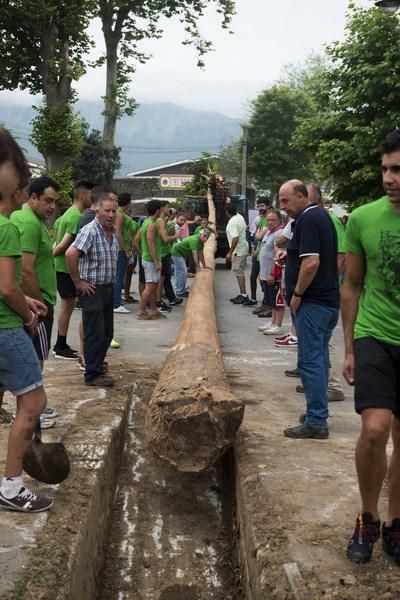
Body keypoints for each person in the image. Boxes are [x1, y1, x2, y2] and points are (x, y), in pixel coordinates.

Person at [342, 129, 400, 565]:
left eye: (397, 170)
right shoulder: (362, 218)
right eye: (385, 169)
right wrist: (348, 348)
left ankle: (396, 524)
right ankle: (368, 517)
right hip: (375, 334)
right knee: (375, 430)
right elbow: (353, 285)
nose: (389, 178)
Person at [0, 127, 53, 513]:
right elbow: (6, 287)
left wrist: (24, 298)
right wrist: (26, 312)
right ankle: (12, 486)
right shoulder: (7, 227)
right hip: (5, 327)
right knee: (33, 401)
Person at [279, 179, 339, 440]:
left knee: (310, 360)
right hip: (325, 302)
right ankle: (318, 411)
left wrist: (298, 294)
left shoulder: (309, 219)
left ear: (302, 197)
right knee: (319, 358)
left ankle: (316, 420)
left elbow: (311, 263)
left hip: (314, 303)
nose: (283, 207)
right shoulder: (319, 218)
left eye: (286, 201)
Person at [10, 176, 60, 427]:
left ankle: (30, 407)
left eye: (55, 202)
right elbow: (26, 270)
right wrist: (37, 306)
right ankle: (32, 411)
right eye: (47, 201)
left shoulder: (31, 220)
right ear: (32, 197)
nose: (52, 207)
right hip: (36, 302)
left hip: (33, 300)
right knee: (34, 359)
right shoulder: (28, 223)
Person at [66, 190, 118, 387]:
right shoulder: (90, 230)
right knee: (94, 332)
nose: (111, 215)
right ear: (97, 210)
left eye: (114, 211)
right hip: (92, 289)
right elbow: (71, 254)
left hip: (107, 287)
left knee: (106, 333)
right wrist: (78, 281)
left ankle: (96, 365)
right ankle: (92, 374)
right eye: (107, 211)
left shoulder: (111, 231)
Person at [52, 180, 93, 359]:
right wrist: (49, 256)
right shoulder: (75, 217)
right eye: (92, 196)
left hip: (63, 268)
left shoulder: (68, 214)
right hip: (65, 269)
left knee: (67, 305)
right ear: (83, 196)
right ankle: (60, 345)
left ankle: (61, 343)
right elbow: (64, 246)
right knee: (67, 305)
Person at [135, 200, 164, 320]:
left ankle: (153, 310)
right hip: (151, 260)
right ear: (157, 210)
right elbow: (151, 244)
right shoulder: (151, 225)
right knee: (150, 286)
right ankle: (141, 311)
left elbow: (136, 240)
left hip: (147, 258)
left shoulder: (145, 222)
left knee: (153, 285)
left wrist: (142, 253)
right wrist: (156, 261)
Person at [258, 209, 284, 335]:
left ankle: (277, 325)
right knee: (271, 301)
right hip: (265, 273)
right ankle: (273, 322)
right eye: (268, 220)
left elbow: (277, 255)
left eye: (273, 220)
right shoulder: (269, 232)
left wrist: (272, 273)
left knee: (277, 301)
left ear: (279, 220)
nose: (270, 222)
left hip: (273, 274)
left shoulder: (279, 234)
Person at [245, 198, 269, 308]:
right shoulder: (261, 219)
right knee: (253, 276)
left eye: (262, 206)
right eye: (258, 206)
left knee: (264, 279)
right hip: (258, 252)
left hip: (264, 253)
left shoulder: (268, 219)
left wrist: (257, 249)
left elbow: (260, 236)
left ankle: (266, 303)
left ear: (268, 206)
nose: (260, 208)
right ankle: (254, 299)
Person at [113, 192, 133, 314]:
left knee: (118, 276)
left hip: (120, 248)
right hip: (121, 250)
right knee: (119, 276)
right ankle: (116, 303)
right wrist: (126, 249)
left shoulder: (119, 213)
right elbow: (118, 232)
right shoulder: (120, 214)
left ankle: (116, 300)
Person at [225, 204, 249, 304]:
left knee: (239, 273)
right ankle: (242, 293)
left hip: (238, 251)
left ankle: (244, 295)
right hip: (243, 247)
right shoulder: (239, 217)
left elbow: (235, 238)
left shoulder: (232, 222)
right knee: (240, 272)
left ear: (227, 213)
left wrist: (230, 252)